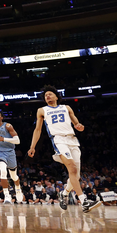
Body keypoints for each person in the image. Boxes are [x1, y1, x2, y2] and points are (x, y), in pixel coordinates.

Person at [27, 85, 101, 213]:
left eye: (50, 94)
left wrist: (79, 126)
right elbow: (38, 129)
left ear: (56, 96)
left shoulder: (66, 108)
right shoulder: (42, 110)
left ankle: (64, 193)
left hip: (72, 140)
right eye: (45, 95)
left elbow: (76, 123)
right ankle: (83, 201)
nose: (47, 96)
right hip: (59, 140)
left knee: (76, 175)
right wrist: (32, 146)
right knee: (71, 168)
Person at [0, 111, 24, 204]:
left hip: (10, 152)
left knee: (14, 176)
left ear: (2, 118)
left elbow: (17, 141)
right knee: (3, 172)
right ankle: (7, 195)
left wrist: (3, 139)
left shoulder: (8, 126)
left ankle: (18, 189)